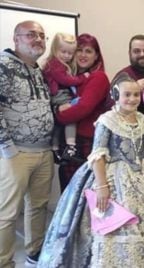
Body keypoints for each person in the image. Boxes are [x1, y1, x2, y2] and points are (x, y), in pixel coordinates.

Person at [37, 73, 144, 267]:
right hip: (114, 176)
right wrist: (102, 186)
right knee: (119, 224)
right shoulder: (107, 120)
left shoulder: (142, 119)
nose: (132, 99)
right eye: (127, 95)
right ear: (116, 95)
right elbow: (98, 154)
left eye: (136, 95)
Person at [0, 20, 54, 268]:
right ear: (16, 38)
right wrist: (6, 146)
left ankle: (34, 253)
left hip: (43, 150)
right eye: (31, 35)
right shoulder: (3, 65)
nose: (38, 39)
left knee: (38, 206)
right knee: (7, 213)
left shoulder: (37, 69)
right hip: (15, 153)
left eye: (42, 36)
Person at [56, 33, 110, 191]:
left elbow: (83, 108)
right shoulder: (70, 77)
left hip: (86, 143)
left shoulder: (98, 77)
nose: (83, 55)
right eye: (79, 50)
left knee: (81, 195)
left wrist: (55, 116)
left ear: (96, 56)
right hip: (70, 142)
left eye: (88, 51)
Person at [43, 32, 89, 163]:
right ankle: (71, 146)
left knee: (58, 124)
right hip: (59, 95)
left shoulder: (58, 64)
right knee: (71, 116)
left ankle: (55, 148)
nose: (67, 56)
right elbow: (66, 80)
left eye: (70, 53)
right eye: (63, 52)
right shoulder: (55, 64)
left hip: (57, 95)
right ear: (54, 49)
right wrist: (82, 78)